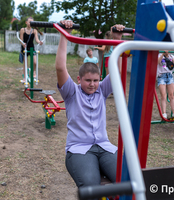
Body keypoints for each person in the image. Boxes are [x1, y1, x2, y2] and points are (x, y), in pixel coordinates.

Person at [55, 20, 124, 190]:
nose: (93, 84)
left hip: (104, 145)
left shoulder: (101, 90)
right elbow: (60, 68)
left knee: (127, 178)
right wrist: (65, 35)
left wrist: (118, 39)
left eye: (95, 80)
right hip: (79, 148)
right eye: (88, 81)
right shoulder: (72, 92)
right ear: (79, 80)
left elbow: (118, 71)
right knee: (91, 187)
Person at [157, 50, 174, 119]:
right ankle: (164, 113)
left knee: (171, 96)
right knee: (163, 96)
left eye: (168, 49)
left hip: (169, 76)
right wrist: (162, 54)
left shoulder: (171, 56)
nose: (167, 51)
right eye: (165, 49)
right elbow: (157, 62)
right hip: (161, 76)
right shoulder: (159, 55)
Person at [19, 17, 43, 83]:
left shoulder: (34, 30)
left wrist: (39, 42)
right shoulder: (22, 30)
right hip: (25, 48)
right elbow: (21, 40)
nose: (31, 23)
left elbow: (37, 40)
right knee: (25, 64)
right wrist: (23, 44)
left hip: (32, 48)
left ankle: (33, 72)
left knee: (35, 62)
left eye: (32, 22)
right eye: (29, 22)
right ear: (26, 22)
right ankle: (25, 77)